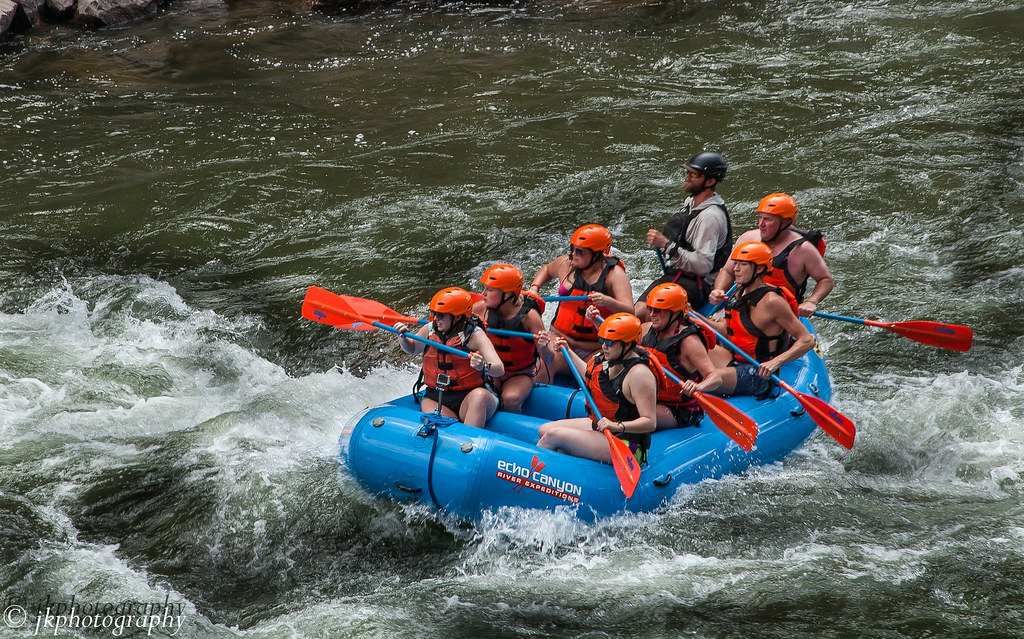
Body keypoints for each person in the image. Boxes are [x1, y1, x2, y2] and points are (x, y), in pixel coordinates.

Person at [536, 313, 660, 465]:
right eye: (602, 340)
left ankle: (530, 473)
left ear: (627, 344)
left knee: (552, 436)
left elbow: (650, 422)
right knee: (544, 429)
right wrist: (568, 351)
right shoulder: (608, 359)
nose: (604, 346)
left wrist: (617, 426)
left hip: (626, 442)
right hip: (602, 427)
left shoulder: (640, 374)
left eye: (610, 342)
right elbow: (589, 375)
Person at [702, 242, 815, 398]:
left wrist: (776, 362)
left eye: (743, 264)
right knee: (688, 349)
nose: (736, 269)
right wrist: (694, 316)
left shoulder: (772, 302)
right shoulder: (739, 293)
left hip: (760, 373)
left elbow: (807, 341)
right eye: (736, 264)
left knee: (710, 377)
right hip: (736, 358)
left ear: (759, 269)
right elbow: (729, 331)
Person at [528, 224, 634, 383]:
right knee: (543, 366)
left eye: (580, 251)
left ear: (597, 254)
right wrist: (534, 288)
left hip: (596, 348)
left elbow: (630, 312)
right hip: (560, 340)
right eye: (573, 249)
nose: (574, 254)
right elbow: (547, 270)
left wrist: (607, 301)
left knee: (596, 378)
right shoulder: (566, 264)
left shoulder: (614, 275)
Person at [637, 151, 733, 319]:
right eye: (688, 172)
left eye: (694, 174)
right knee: (636, 311)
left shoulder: (709, 217)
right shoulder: (692, 203)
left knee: (644, 313)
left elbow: (704, 265)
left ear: (710, 181)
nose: (688, 177)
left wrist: (667, 245)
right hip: (679, 274)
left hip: (699, 284)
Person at [394, 287, 505, 428]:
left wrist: (483, 366)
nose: (436, 318)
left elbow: (499, 369)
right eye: (434, 313)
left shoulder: (475, 335)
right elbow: (413, 348)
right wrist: (403, 339)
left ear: (457, 316)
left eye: (441, 315)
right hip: (437, 397)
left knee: (480, 397)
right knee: (435, 417)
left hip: (470, 396)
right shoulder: (430, 329)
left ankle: (468, 437)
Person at [709, 193, 833, 317]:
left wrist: (811, 302)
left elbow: (825, 280)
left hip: (779, 315)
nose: (761, 224)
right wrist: (719, 290)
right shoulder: (748, 239)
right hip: (741, 307)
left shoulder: (803, 250)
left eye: (768, 219)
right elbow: (728, 271)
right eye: (760, 218)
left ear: (784, 222)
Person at [639, 283, 723, 429]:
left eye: (658, 310)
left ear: (675, 313)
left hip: (680, 409)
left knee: (630, 414)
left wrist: (698, 386)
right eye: (650, 309)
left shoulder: (689, 342)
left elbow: (715, 377)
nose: (652, 314)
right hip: (654, 399)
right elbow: (621, 346)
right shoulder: (647, 329)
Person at [472, 264, 546, 413]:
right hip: (490, 369)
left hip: (520, 372)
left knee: (510, 398)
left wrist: (545, 347)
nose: (483, 293)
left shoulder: (529, 317)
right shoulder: (480, 308)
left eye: (489, 290)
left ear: (507, 295)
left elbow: (548, 360)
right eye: (484, 288)